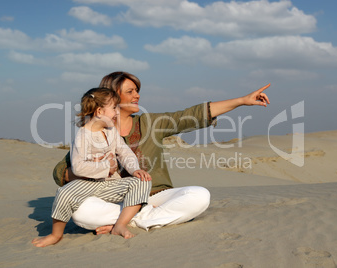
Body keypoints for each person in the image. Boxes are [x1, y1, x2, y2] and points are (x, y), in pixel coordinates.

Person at [52, 71, 270, 234]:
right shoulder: (95, 131)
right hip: (115, 201)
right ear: (112, 97)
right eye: (130, 91)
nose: (137, 95)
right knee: (80, 212)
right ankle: (133, 220)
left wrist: (242, 101)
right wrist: (95, 169)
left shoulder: (151, 122)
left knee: (199, 196)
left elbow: (190, 115)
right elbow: (61, 171)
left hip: (156, 197)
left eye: (137, 90)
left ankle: (126, 222)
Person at [32, 87, 152, 247]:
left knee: (142, 181)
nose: (117, 112)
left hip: (110, 183)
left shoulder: (111, 131)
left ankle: (120, 224)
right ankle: (55, 235)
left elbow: (124, 152)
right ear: (99, 111)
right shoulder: (83, 136)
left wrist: (134, 169)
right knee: (64, 193)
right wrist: (105, 167)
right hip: (87, 183)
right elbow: (78, 168)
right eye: (114, 108)